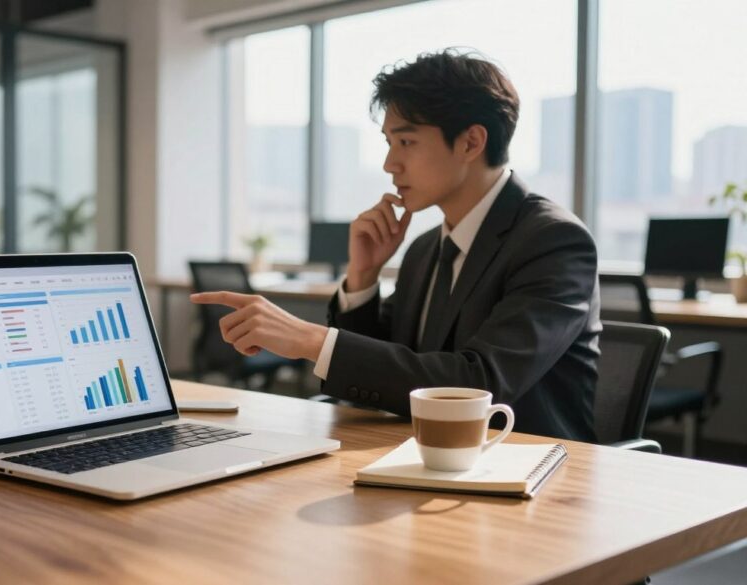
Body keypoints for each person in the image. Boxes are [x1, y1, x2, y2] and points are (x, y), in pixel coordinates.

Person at [191, 49, 600, 442]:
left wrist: (310, 339)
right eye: (389, 143)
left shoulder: (553, 242)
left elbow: (479, 384)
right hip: (425, 457)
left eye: (405, 142)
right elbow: (386, 373)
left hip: (531, 471)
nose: (390, 164)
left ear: (471, 142)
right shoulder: (425, 249)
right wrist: (363, 277)